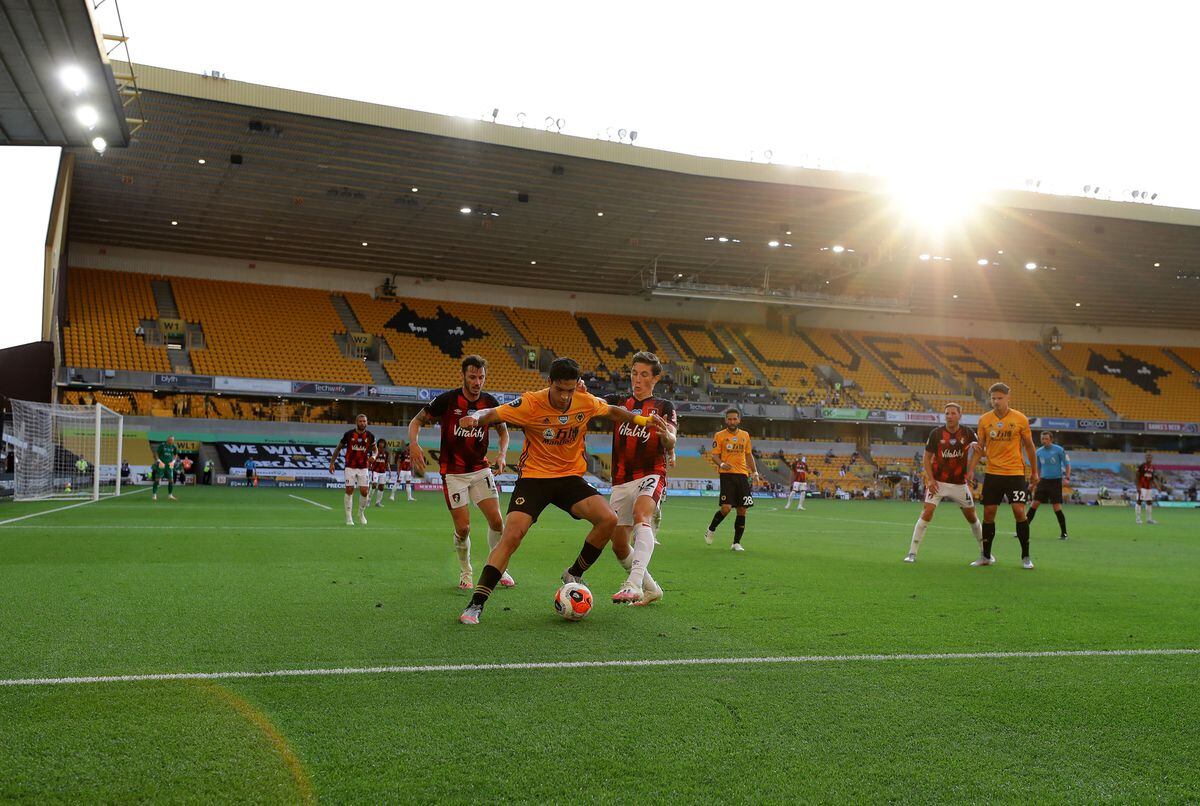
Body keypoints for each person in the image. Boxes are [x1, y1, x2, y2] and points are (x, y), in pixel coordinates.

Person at [455, 357, 669, 625]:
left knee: (609, 520)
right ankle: (476, 603)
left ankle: (574, 573)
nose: (566, 396)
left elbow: (613, 411)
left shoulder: (584, 400)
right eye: (561, 390)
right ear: (549, 383)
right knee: (511, 535)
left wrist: (642, 420)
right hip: (534, 478)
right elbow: (494, 413)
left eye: (570, 390)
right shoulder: (531, 403)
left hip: (569, 478)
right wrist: (474, 417)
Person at [408, 355, 513, 590]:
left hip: (480, 469)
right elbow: (417, 421)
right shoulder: (447, 400)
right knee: (463, 528)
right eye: (473, 377)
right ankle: (466, 571)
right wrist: (414, 443)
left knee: (497, 522)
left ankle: (498, 568)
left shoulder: (490, 401)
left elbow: (503, 432)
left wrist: (502, 454)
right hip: (453, 473)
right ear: (463, 376)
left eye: (481, 377)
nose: (477, 382)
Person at [603, 351, 676, 604]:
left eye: (644, 374)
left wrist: (665, 435)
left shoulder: (664, 407)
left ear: (655, 378)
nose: (638, 379)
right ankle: (652, 588)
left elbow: (671, 439)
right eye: (634, 373)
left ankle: (633, 584)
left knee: (641, 515)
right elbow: (590, 404)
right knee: (619, 545)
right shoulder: (618, 401)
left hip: (651, 472)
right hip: (621, 479)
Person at [905, 403, 983, 562]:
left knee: (972, 517)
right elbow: (926, 458)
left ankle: (985, 553)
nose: (949, 416)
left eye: (953, 413)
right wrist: (931, 479)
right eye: (947, 413)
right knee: (927, 512)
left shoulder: (968, 433)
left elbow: (980, 451)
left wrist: (970, 470)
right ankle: (912, 553)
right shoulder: (936, 433)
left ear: (960, 415)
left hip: (960, 484)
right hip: (938, 483)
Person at [974, 383, 1039, 569]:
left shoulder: (1020, 419)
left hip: (1015, 473)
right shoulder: (984, 420)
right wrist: (970, 469)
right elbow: (980, 448)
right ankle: (986, 556)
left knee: (1019, 512)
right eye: (993, 398)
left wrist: (1034, 472)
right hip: (993, 473)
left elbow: (1029, 447)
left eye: (1000, 398)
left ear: (1008, 397)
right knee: (988, 513)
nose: (996, 401)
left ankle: (1025, 557)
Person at [704, 408, 764, 551]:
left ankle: (736, 543)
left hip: (742, 475)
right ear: (726, 420)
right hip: (727, 474)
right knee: (726, 508)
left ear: (739, 420)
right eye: (729, 419)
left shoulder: (745, 435)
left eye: (734, 419)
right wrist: (722, 464)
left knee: (742, 510)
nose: (732, 421)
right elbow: (714, 455)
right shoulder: (719, 435)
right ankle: (711, 528)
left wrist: (754, 472)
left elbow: (749, 455)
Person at [328, 413, 376, 526]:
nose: (363, 423)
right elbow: (338, 448)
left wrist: (373, 456)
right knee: (349, 490)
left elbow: (375, 450)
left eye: (364, 421)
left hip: (364, 467)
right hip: (350, 466)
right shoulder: (349, 434)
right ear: (356, 422)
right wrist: (332, 462)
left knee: (364, 491)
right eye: (360, 421)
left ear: (367, 422)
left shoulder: (370, 436)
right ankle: (349, 517)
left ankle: (361, 513)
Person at [1027, 431, 1071, 540]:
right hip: (1043, 481)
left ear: (1051, 439)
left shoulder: (1059, 450)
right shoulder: (1039, 452)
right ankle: (1022, 530)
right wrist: (1033, 482)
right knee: (1034, 504)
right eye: (1042, 439)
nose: (1044, 441)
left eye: (1046, 439)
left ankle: (1064, 533)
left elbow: (1067, 464)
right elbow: (1037, 469)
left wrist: (1067, 477)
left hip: (1056, 481)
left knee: (1056, 507)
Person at [1134, 452, 1160, 525]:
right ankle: (1138, 519)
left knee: (1149, 502)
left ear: (1152, 458)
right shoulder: (1142, 466)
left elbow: (1152, 478)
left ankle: (1149, 519)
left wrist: (1157, 486)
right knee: (1139, 501)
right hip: (1141, 487)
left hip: (1149, 488)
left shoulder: (1152, 468)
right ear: (1145, 458)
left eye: (1150, 456)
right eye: (1147, 456)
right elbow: (1137, 476)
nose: (1149, 458)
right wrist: (1137, 486)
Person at [152, 436, 179, 501]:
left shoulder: (174, 446)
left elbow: (176, 455)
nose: (172, 441)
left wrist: (173, 461)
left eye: (173, 440)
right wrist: (159, 461)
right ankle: (154, 495)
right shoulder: (162, 445)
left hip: (169, 465)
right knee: (157, 480)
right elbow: (155, 454)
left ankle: (170, 495)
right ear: (167, 440)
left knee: (171, 480)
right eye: (171, 440)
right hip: (161, 464)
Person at [371, 438, 391, 507]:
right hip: (375, 471)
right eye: (380, 442)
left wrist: (390, 471)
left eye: (383, 443)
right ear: (378, 443)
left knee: (381, 487)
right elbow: (371, 459)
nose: (381, 444)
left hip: (383, 472)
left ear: (384, 444)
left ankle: (378, 502)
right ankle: (368, 500)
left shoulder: (386, 453)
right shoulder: (375, 451)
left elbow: (387, 462)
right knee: (374, 485)